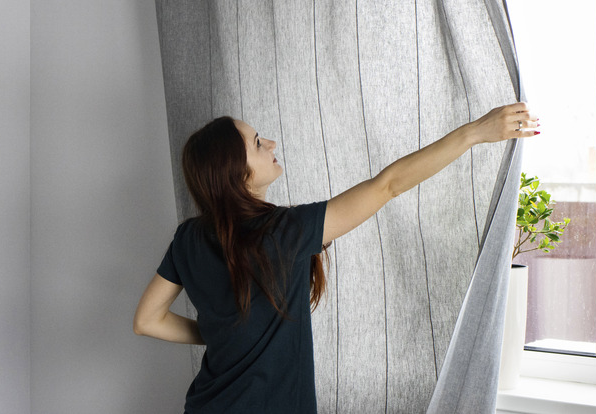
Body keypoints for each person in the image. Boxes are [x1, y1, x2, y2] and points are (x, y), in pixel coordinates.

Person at [133, 103, 539, 413]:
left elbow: (148, 320)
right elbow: (387, 186)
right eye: (257, 143)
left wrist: (224, 333)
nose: (271, 143)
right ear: (235, 171)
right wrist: (474, 133)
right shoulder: (283, 232)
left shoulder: (189, 237)